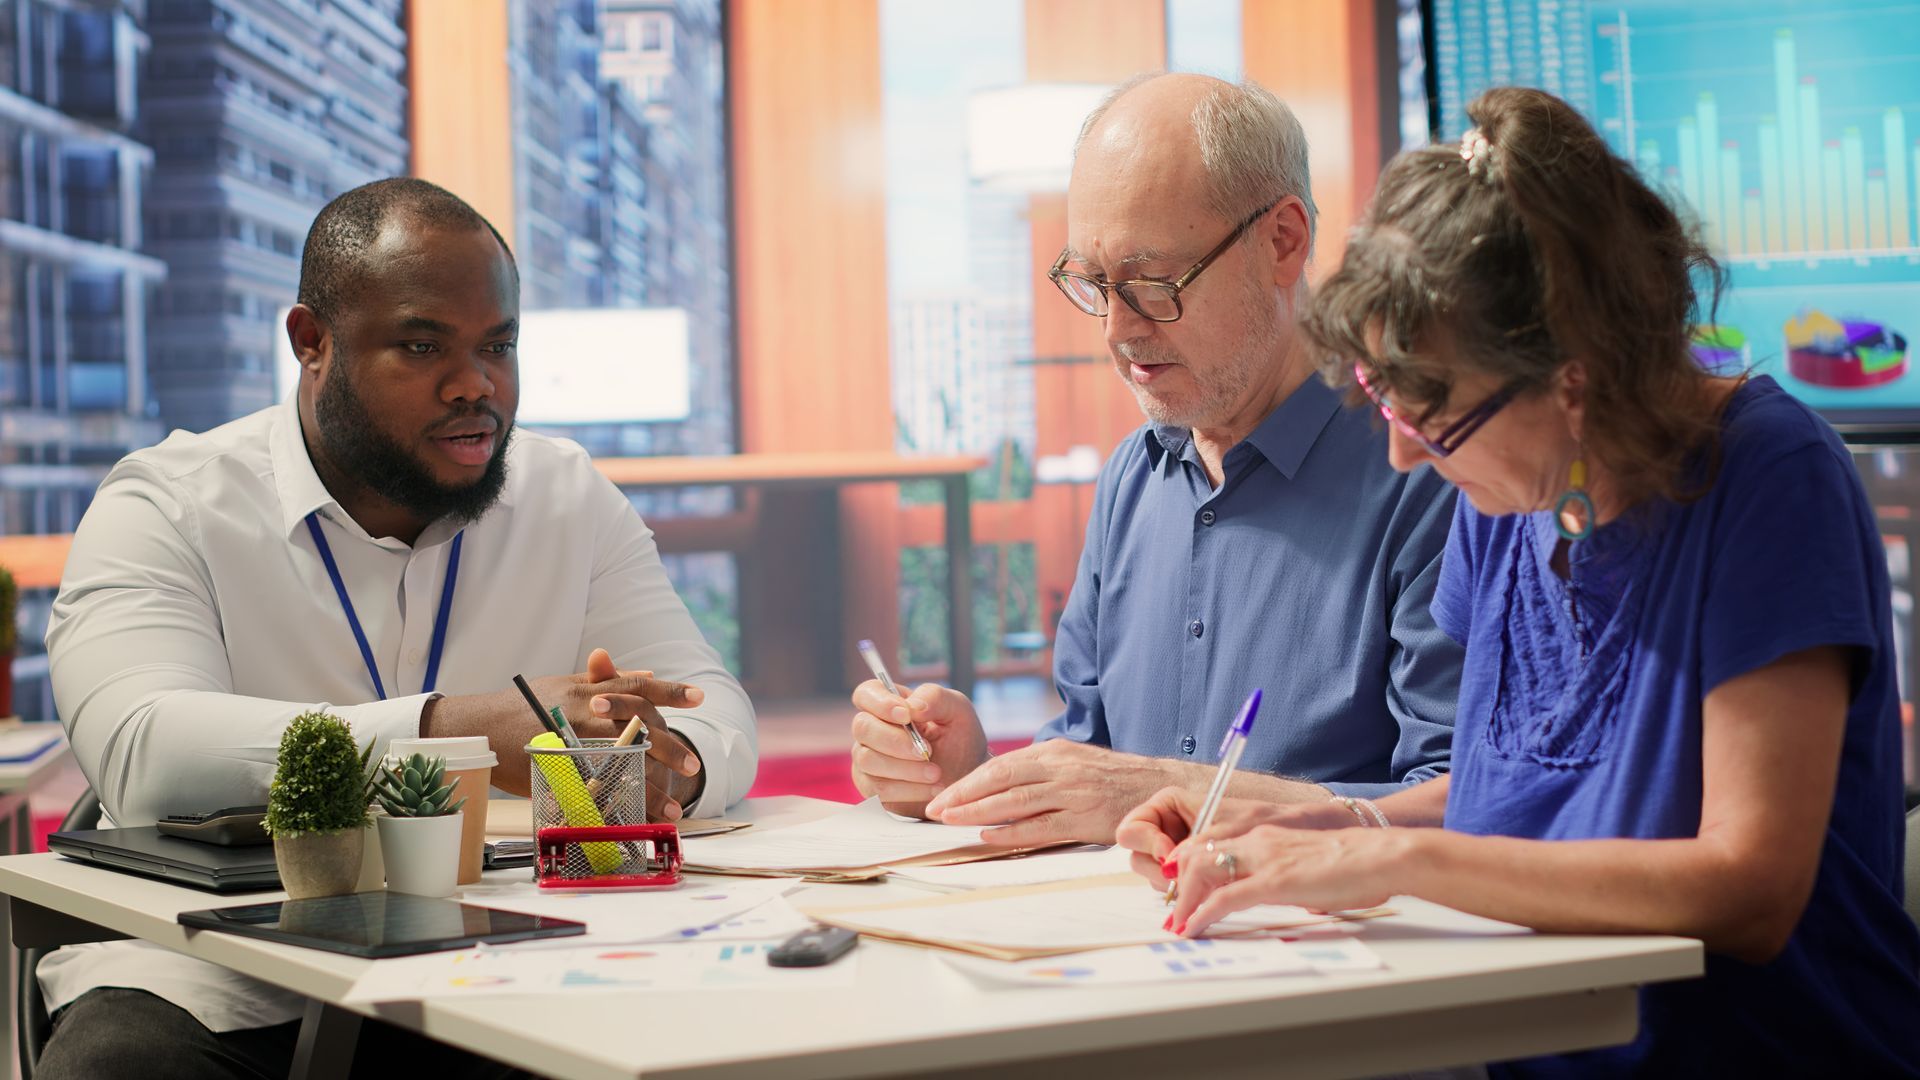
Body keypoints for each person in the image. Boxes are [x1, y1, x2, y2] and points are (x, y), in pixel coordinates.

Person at [1119, 87, 1920, 1076]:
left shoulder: (1771, 476)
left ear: (1573, 377)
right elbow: (1510, 801)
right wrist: (1317, 827)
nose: (1407, 459)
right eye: (1382, 401)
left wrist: (1392, 858)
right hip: (1539, 1043)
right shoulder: (1510, 490)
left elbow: (1748, 886)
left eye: (1433, 416)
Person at [38, 178, 757, 1078]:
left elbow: (712, 710)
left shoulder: (565, 495)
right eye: (423, 347)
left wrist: (666, 768)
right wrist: (450, 731)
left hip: (508, 956)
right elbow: (145, 756)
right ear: (312, 343)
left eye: (498, 345)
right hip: (219, 972)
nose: (475, 385)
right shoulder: (168, 502)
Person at [849, 73, 1462, 848]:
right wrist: (971, 772)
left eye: (1150, 282)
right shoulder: (1133, 480)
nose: (1114, 329)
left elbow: (1458, 799)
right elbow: (1091, 763)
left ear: (1285, 240)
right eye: (1093, 283)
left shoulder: (1427, 473)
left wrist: (1178, 793)